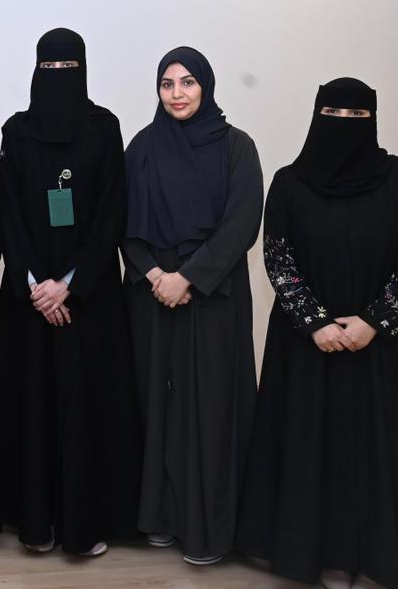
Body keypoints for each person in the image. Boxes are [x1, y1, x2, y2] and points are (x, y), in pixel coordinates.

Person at [236, 78, 398, 589]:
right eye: (333, 113)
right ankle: (325, 556)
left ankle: (384, 554)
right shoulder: (289, 183)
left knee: (383, 446)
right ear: (316, 115)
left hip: (386, 345)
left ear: (374, 120)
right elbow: (278, 258)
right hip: (308, 344)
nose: (344, 124)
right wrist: (315, 322)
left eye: (357, 116)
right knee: (313, 446)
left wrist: (374, 321)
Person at [0, 29, 141, 558]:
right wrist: (37, 283)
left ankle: (85, 523)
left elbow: (112, 213)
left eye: (67, 67)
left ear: (83, 69)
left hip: (89, 300)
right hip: (30, 301)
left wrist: (70, 284)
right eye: (49, 68)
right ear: (36, 71)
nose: (58, 77)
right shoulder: (17, 131)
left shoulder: (104, 128)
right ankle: (36, 523)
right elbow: (7, 212)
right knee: (32, 404)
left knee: (87, 408)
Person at [122, 46, 262, 565]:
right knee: (156, 404)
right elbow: (122, 223)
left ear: (206, 85)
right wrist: (156, 275)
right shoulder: (142, 147)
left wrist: (189, 277)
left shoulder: (236, 146)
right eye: (167, 84)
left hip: (213, 295)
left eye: (187, 82)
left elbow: (242, 222)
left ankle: (210, 529)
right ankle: (161, 517)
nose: (177, 94)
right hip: (153, 293)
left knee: (211, 408)